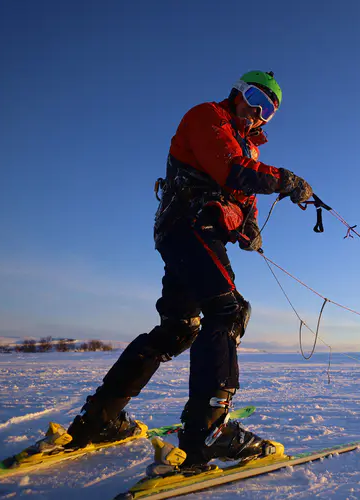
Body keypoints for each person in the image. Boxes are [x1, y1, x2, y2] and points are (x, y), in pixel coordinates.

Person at [64, 71, 313, 470]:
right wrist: (285, 180)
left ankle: (100, 420)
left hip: (195, 234)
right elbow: (231, 171)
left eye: (267, 110)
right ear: (237, 93)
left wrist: (248, 229)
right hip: (190, 226)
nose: (256, 112)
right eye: (253, 98)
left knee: (179, 328)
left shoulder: (248, 147)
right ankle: (207, 434)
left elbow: (241, 193)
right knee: (228, 311)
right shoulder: (207, 117)